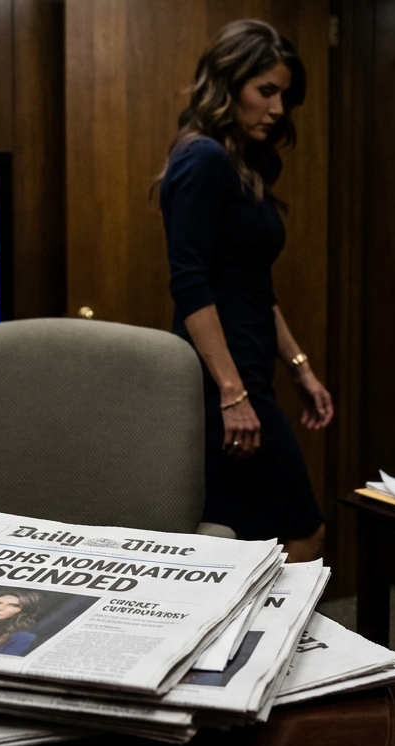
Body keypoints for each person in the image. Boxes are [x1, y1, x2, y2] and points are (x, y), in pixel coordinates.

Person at [159, 20, 333, 562]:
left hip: (248, 374)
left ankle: (253, 647)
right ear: (228, 84)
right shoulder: (201, 158)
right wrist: (233, 394)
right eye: (266, 91)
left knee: (248, 542)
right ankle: (274, 647)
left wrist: (300, 367)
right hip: (219, 384)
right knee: (301, 531)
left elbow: (256, 285)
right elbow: (190, 283)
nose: (279, 108)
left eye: (285, 95)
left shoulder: (242, 167)